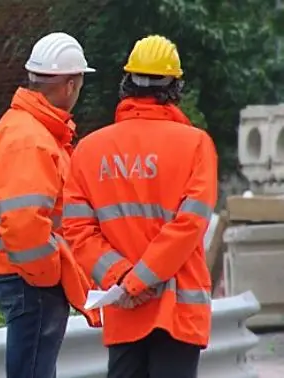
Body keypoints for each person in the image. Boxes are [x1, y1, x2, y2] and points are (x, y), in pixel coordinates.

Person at [62, 35, 217, 378]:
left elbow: (76, 231)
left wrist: (121, 279)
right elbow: (189, 226)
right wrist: (140, 281)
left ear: (126, 83)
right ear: (175, 87)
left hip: (123, 311)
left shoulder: (89, 150)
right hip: (178, 312)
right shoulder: (196, 146)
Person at [0, 32, 101, 378]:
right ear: (70, 85)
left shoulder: (29, 131)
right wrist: (50, 275)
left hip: (25, 278)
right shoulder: (32, 140)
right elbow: (25, 224)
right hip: (31, 281)